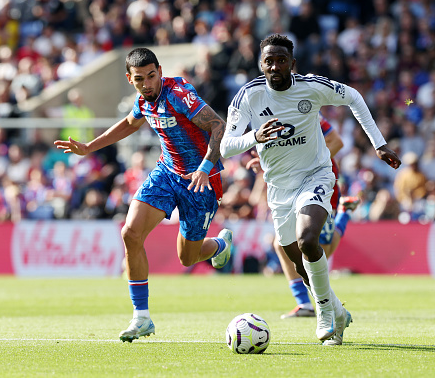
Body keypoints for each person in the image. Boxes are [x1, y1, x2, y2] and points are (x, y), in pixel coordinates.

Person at [220, 34, 401, 346]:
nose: (274, 66)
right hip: (278, 188)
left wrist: (379, 144)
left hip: (315, 175)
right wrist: (256, 137)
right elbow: (226, 146)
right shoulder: (248, 96)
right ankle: (339, 312)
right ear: (261, 64)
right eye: (269, 60)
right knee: (298, 261)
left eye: (281, 60)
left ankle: (325, 313)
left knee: (307, 239)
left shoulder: (311, 86)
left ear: (293, 63)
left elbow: (354, 97)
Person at [54, 47, 232, 343]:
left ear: (160, 71)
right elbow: (129, 123)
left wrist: (204, 167)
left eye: (152, 76)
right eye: (140, 79)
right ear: (130, 79)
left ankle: (218, 246)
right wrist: (89, 147)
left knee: (187, 257)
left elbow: (218, 125)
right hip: (167, 173)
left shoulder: (178, 94)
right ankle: (141, 318)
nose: (148, 83)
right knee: (130, 233)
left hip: (200, 181)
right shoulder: (143, 101)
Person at [247, 114, 361, 319]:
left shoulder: (307, 111)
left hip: (318, 186)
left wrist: (307, 166)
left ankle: (344, 213)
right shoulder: (272, 114)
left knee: (319, 251)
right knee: (281, 244)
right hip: (290, 188)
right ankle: (304, 304)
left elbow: (336, 141)